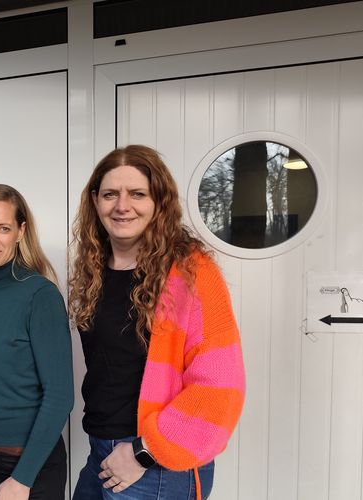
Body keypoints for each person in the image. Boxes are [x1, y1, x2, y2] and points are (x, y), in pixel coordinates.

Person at [68, 145, 245, 500]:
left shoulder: (192, 274)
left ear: (159, 201)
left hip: (152, 463)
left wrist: (144, 452)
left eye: (137, 194)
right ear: (95, 200)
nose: (122, 206)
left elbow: (220, 388)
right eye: (110, 194)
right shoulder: (95, 270)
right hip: (102, 449)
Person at [0, 184, 74, 500]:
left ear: (20, 231)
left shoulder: (40, 295)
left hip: (28, 467)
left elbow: (60, 395)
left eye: (3, 228)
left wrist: (22, 478)